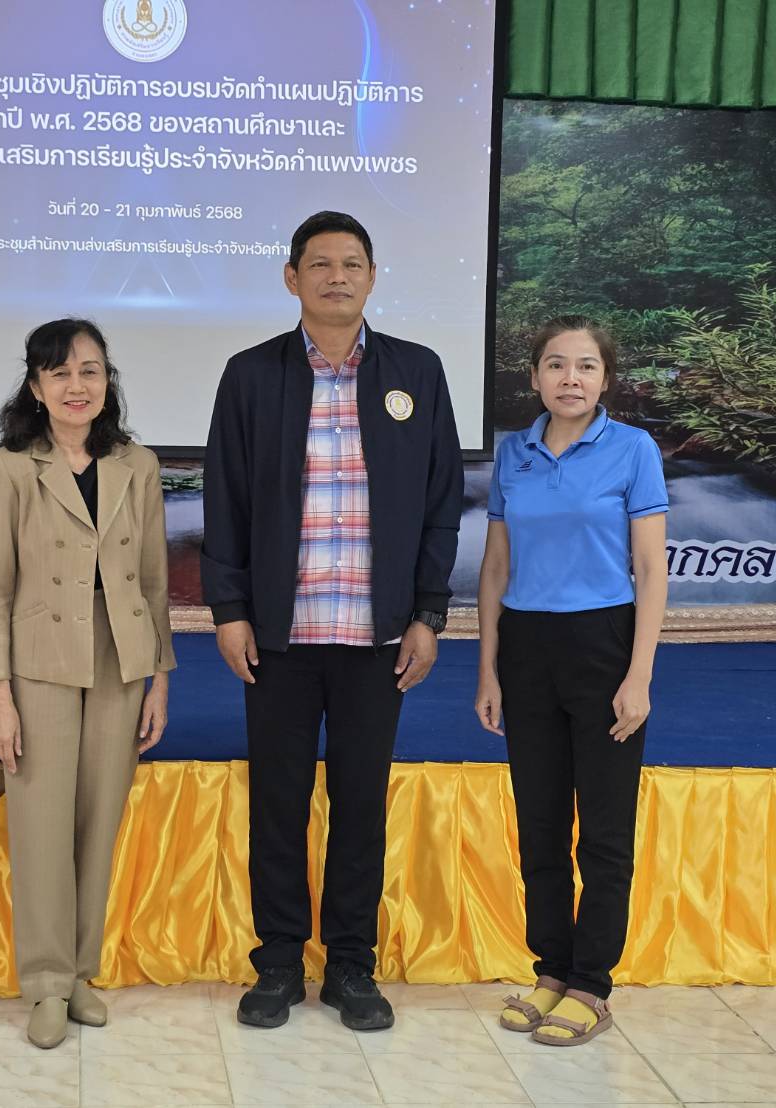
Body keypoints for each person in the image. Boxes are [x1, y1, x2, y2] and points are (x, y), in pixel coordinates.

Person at [201, 211, 463, 1032]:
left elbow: (440, 503)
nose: (336, 277)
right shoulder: (251, 374)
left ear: (372, 276)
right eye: (319, 264)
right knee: (276, 804)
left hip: (376, 637)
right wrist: (229, 610)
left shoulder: (416, 371)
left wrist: (427, 613)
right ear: (291, 278)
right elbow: (225, 501)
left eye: (352, 263)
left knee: (360, 805)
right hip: (278, 636)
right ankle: (278, 962)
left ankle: (352, 965)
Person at [0, 318, 174, 1049]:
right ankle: (46, 981)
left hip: (121, 656)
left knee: (98, 820)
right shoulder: (10, 467)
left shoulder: (136, 464)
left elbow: (154, 581)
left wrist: (159, 679)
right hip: (39, 659)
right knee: (41, 824)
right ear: (35, 387)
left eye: (90, 370)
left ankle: (81, 973)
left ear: (106, 382)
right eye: (59, 373)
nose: (76, 385)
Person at [474, 315, 668, 1046]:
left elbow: (649, 569)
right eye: (555, 365)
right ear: (533, 377)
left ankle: (591, 983)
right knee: (541, 826)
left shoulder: (632, 449)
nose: (570, 379)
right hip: (526, 647)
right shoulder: (514, 453)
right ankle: (551, 970)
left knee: (605, 832)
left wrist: (638, 675)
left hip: (604, 644)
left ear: (605, 378)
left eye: (586, 366)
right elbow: (496, 566)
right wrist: (488, 668)